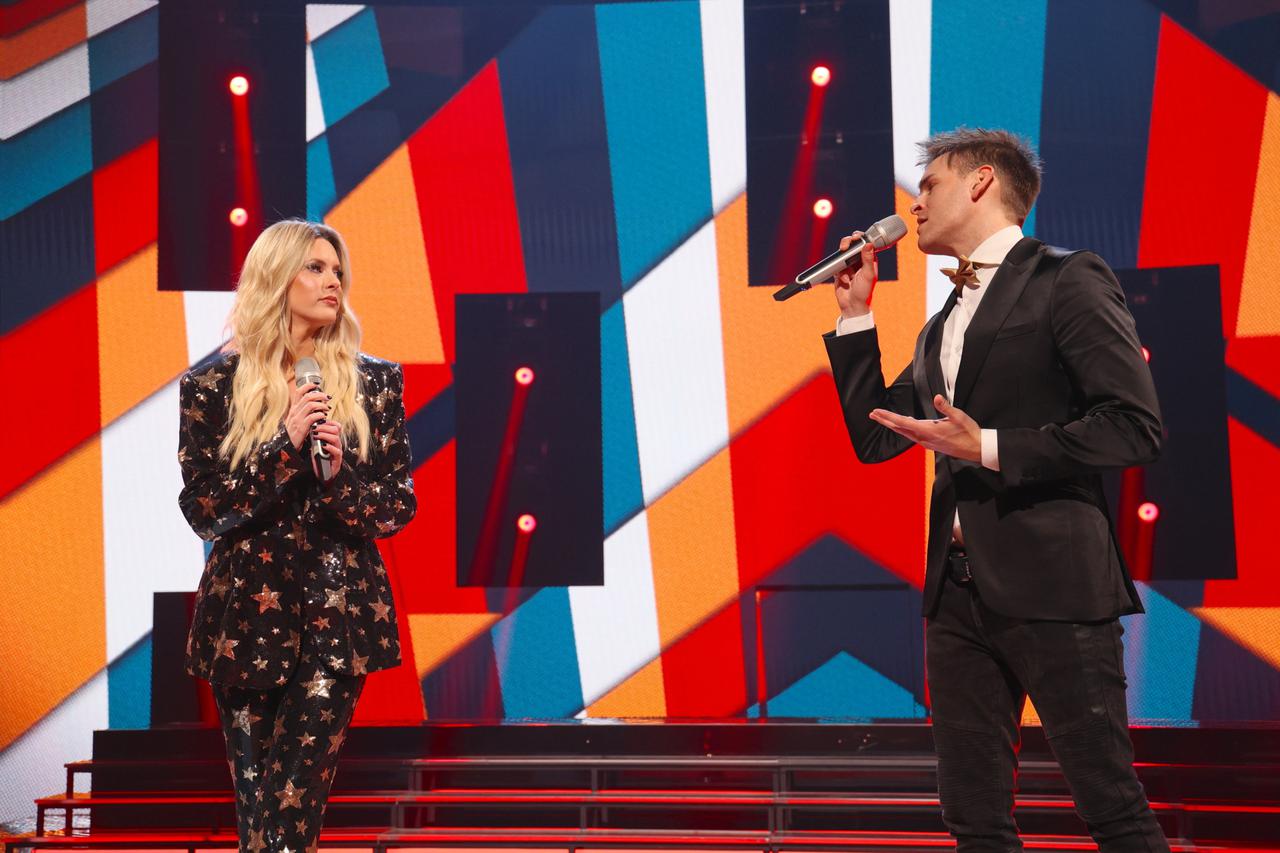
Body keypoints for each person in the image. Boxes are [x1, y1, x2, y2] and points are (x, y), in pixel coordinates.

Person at [824, 128, 1169, 852]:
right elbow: (876, 437)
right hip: (955, 595)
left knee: (1109, 803)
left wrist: (986, 446)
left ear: (981, 181)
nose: (915, 205)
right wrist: (855, 314)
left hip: (1056, 583)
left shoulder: (1065, 277)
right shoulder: (941, 326)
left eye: (929, 186)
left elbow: (1133, 427)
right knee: (974, 818)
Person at [177, 219, 417, 853]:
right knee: (259, 817)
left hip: (338, 621)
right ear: (275, 279)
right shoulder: (210, 388)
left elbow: (396, 506)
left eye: (336, 270)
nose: (332, 280)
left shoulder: (375, 383)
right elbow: (205, 510)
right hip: (243, 622)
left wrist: (338, 478)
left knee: (288, 811)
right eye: (315, 268)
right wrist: (283, 447)